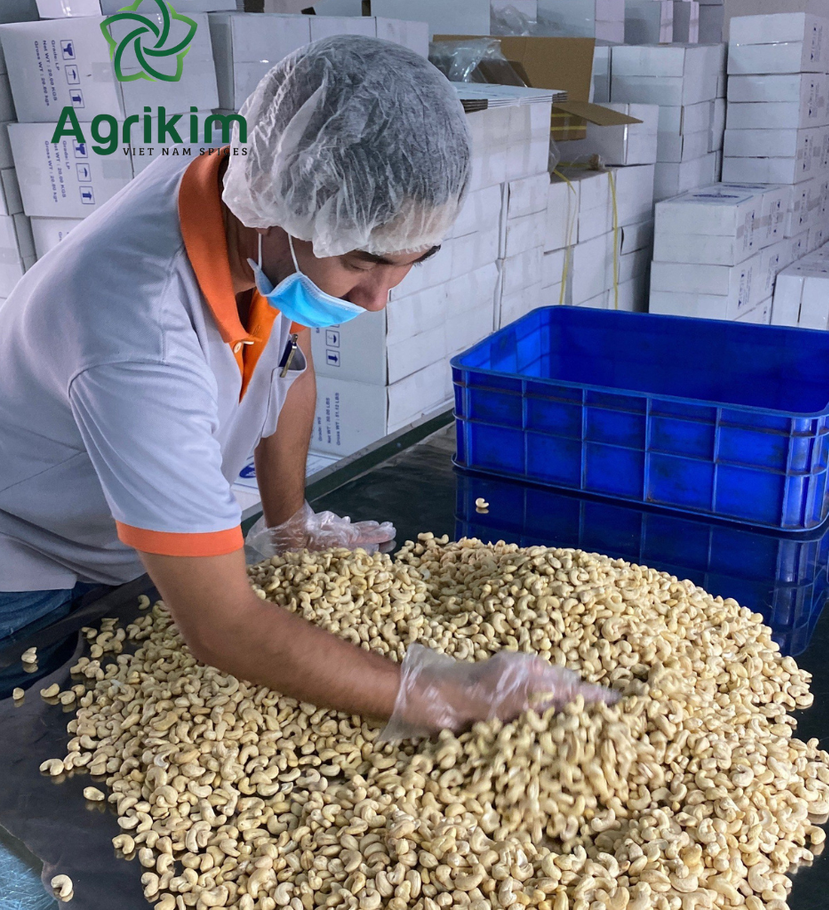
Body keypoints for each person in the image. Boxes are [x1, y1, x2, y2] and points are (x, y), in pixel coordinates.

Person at [0, 37, 614, 733]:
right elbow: (222, 628)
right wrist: (440, 696)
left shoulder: (245, 202)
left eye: (408, 264)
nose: (377, 300)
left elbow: (287, 363)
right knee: (33, 737)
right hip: (22, 558)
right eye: (361, 263)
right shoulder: (140, 335)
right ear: (277, 213)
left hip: (113, 531)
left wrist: (289, 523)